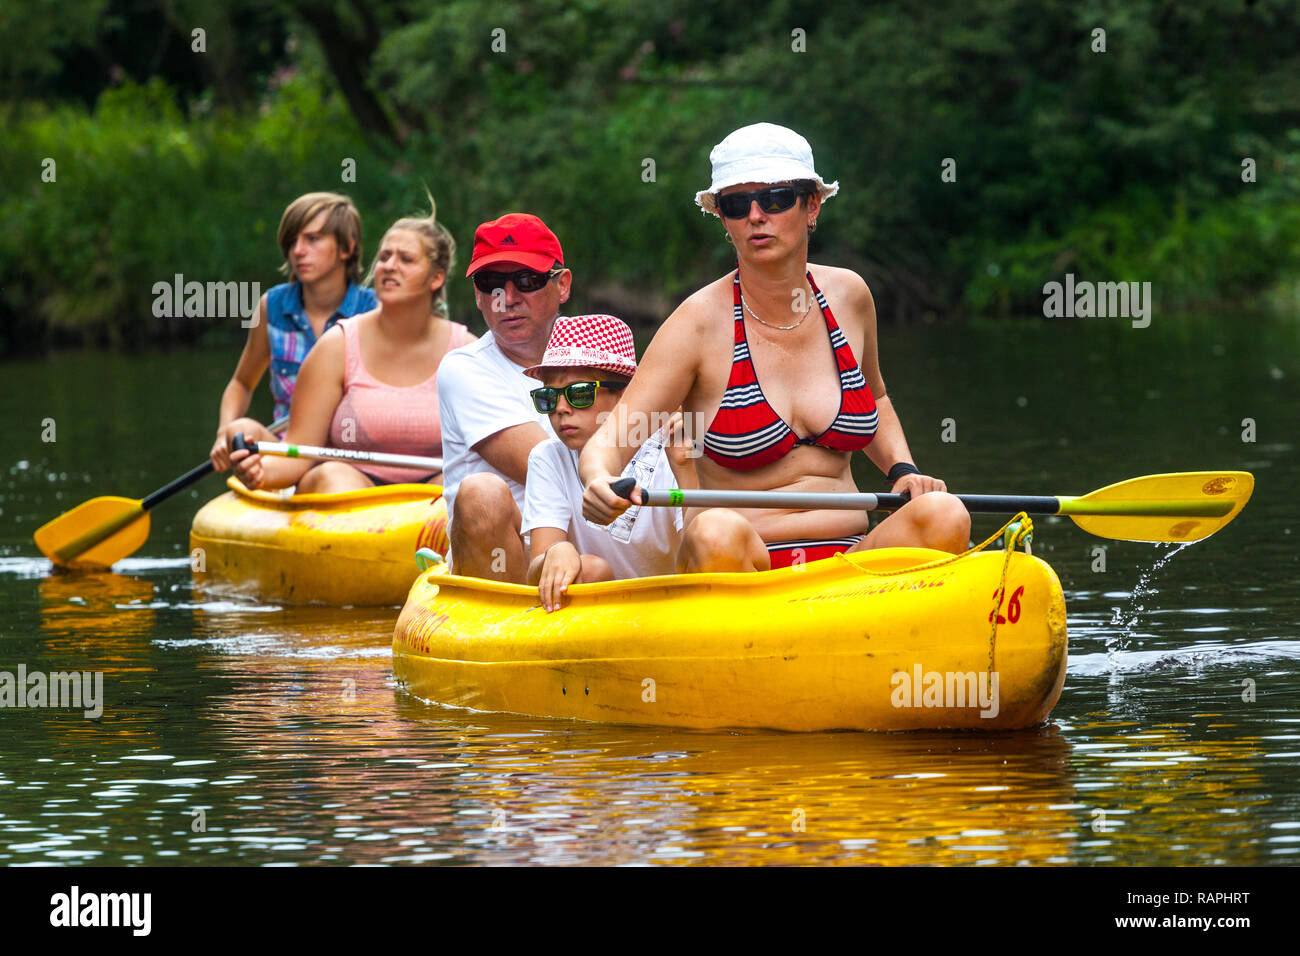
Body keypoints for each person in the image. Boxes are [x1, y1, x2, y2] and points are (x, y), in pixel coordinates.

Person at [580, 122, 970, 572]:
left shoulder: (851, 296)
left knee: (945, 513)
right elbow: (611, 441)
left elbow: (876, 397)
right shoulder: (696, 323)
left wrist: (903, 470)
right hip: (743, 564)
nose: (756, 215)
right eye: (736, 204)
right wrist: (599, 479)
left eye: (776, 198)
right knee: (714, 531)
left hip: (850, 560)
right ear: (723, 219)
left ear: (812, 205)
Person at [229, 199, 474, 492]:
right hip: (348, 488)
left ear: (436, 278)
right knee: (333, 476)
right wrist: (259, 472)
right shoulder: (335, 346)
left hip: (433, 491)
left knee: (468, 484)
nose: (389, 266)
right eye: (384, 257)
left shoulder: (465, 351)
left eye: (405, 260)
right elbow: (297, 452)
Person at [520, 315, 696, 612]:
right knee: (590, 569)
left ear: (626, 395)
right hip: (595, 608)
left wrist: (684, 467)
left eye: (579, 394)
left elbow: (699, 554)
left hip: (674, 610)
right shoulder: (547, 457)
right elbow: (536, 570)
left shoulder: (676, 443)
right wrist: (555, 552)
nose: (560, 409)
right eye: (548, 397)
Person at [436, 213, 572, 582]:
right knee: (482, 493)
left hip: (591, 545)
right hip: (516, 559)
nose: (507, 299)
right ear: (478, 296)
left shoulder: (601, 355)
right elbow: (544, 467)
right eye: (492, 283)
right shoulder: (462, 369)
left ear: (562, 286)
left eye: (526, 281)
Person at [210, 192, 377, 471]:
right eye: (292, 242)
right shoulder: (271, 308)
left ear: (347, 248)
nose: (298, 250)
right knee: (240, 428)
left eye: (312, 239)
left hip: (354, 455)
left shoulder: (375, 309)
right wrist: (223, 432)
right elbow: (242, 383)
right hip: (288, 452)